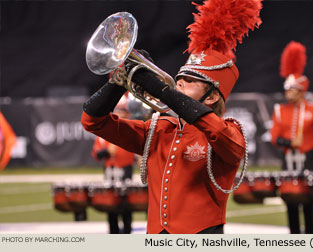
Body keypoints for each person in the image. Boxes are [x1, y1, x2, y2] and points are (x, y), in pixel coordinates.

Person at [82, 0, 262, 234]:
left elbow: (214, 129)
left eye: (190, 81)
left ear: (211, 98)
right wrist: (119, 80)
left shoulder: (230, 132)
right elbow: (92, 122)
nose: (179, 83)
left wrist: (161, 90)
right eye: (179, 79)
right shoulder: (159, 129)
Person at [270, 41, 313, 234]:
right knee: (290, 205)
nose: (287, 92)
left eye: (291, 89)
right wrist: (290, 142)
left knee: (309, 205)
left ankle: (311, 241)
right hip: (288, 161)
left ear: (300, 90)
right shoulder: (279, 110)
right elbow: (274, 138)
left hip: (309, 160)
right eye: (287, 89)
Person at [91, 97, 136, 234]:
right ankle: (113, 235)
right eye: (118, 111)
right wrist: (106, 152)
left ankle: (127, 233)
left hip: (125, 171)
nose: (120, 114)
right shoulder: (103, 136)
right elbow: (96, 154)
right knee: (111, 206)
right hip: (110, 172)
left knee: (126, 206)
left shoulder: (131, 133)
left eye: (122, 111)